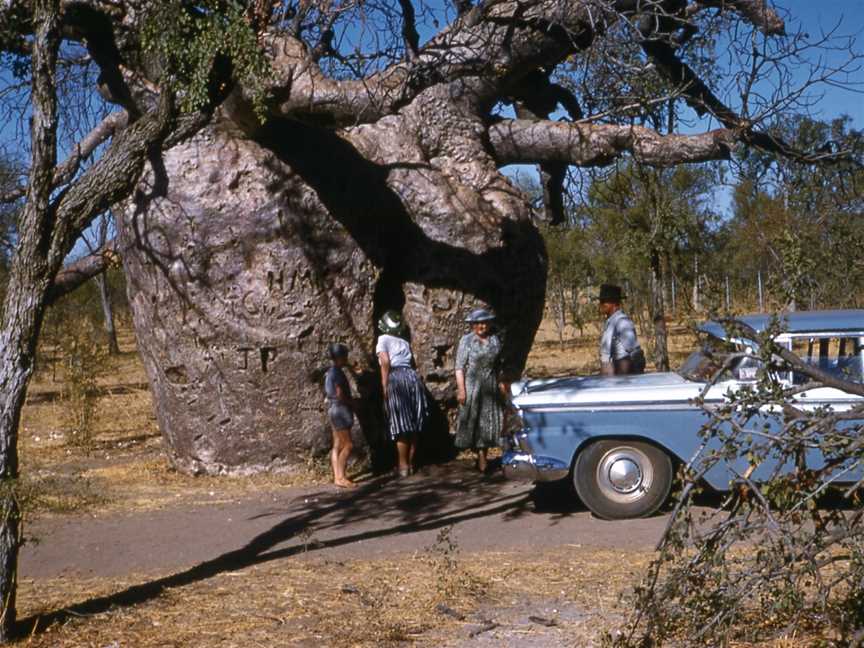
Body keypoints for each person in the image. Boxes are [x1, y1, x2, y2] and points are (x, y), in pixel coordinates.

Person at [454, 308, 507, 472]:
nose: (482, 326)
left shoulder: (494, 340)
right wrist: (462, 390)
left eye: (485, 323)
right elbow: (459, 367)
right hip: (473, 385)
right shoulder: (467, 341)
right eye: (478, 323)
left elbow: (498, 364)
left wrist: (501, 383)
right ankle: (480, 457)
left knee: (488, 421)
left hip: (490, 385)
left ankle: (486, 455)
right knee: (475, 421)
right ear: (472, 325)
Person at [376, 310, 427, 477]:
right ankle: (411, 464)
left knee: (401, 424)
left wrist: (384, 385)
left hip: (397, 378)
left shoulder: (383, 339)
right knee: (413, 423)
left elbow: (385, 361)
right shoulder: (404, 342)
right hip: (412, 377)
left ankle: (403, 466)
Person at [324, 343, 356, 488]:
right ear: (341, 357)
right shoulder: (337, 372)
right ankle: (341, 477)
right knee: (348, 445)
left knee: (337, 445)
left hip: (332, 408)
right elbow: (339, 394)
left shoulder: (330, 372)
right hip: (340, 409)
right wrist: (353, 403)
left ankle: (337, 476)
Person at [598, 283, 646, 376]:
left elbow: (636, 353)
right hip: (611, 376)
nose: (601, 304)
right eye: (601, 301)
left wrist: (636, 378)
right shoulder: (610, 322)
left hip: (622, 378)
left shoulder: (622, 322)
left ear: (614, 303)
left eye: (605, 301)